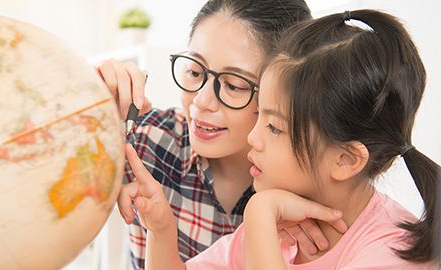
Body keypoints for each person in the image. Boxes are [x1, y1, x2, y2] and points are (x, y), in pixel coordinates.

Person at [119, 9, 440, 270]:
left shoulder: (389, 253)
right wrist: (161, 232)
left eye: (273, 127)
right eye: (260, 116)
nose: (254, 138)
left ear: (345, 159)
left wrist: (258, 216)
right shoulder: (279, 224)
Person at [97, 1, 320, 269]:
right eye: (194, 71)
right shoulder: (148, 139)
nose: (201, 102)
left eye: (234, 86)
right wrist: (82, 99)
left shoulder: (309, 182)